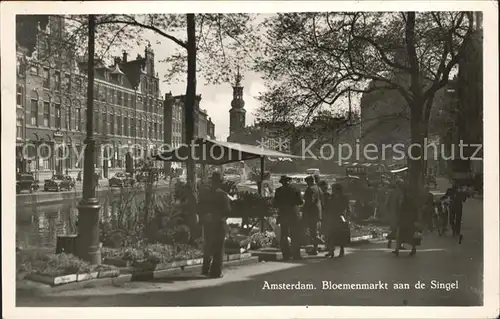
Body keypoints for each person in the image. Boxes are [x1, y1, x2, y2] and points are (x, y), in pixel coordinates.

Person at [199, 171, 231, 278]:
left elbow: (198, 208)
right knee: (218, 248)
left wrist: (206, 215)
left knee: (208, 246)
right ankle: (215, 271)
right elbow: (227, 211)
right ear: (220, 182)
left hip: (208, 224)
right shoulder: (223, 195)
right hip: (218, 224)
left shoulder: (205, 193)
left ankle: (205, 268)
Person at [273, 175, 304, 260]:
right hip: (294, 215)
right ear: (289, 181)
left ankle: (286, 254)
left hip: (283, 215)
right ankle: (296, 254)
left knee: (284, 235)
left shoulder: (278, 191)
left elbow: (275, 204)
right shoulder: (296, 189)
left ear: (282, 182)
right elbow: (300, 202)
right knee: (295, 235)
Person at [393, 183, 420, 256]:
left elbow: (414, 210)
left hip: (408, 220)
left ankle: (412, 248)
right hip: (404, 220)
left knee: (407, 235)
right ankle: (397, 249)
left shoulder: (409, 200)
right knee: (401, 235)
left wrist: (415, 219)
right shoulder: (405, 199)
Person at [327, 184, 350, 258]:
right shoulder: (332, 197)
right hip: (332, 217)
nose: (333, 191)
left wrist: (347, 218)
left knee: (341, 235)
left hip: (341, 217)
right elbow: (329, 207)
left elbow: (347, 208)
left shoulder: (344, 198)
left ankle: (341, 250)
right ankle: (331, 250)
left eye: (334, 189)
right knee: (331, 234)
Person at [303, 175, 322, 255]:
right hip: (318, 211)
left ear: (309, 181)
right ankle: (315, 248)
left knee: (313, 231)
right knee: (315, 230)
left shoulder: (310, 189)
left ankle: (324, 243)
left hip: (311, 212)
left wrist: (304, 209)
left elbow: (309, 201)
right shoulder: (318, 188)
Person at [385, 181, 404, 249]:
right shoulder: (400, 193)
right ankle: (398, 244)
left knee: (394, 228)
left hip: (394, 213)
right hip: (397, 214)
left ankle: (391, 242)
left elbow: (386, 203)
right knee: (398, 229)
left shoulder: (392, 192)